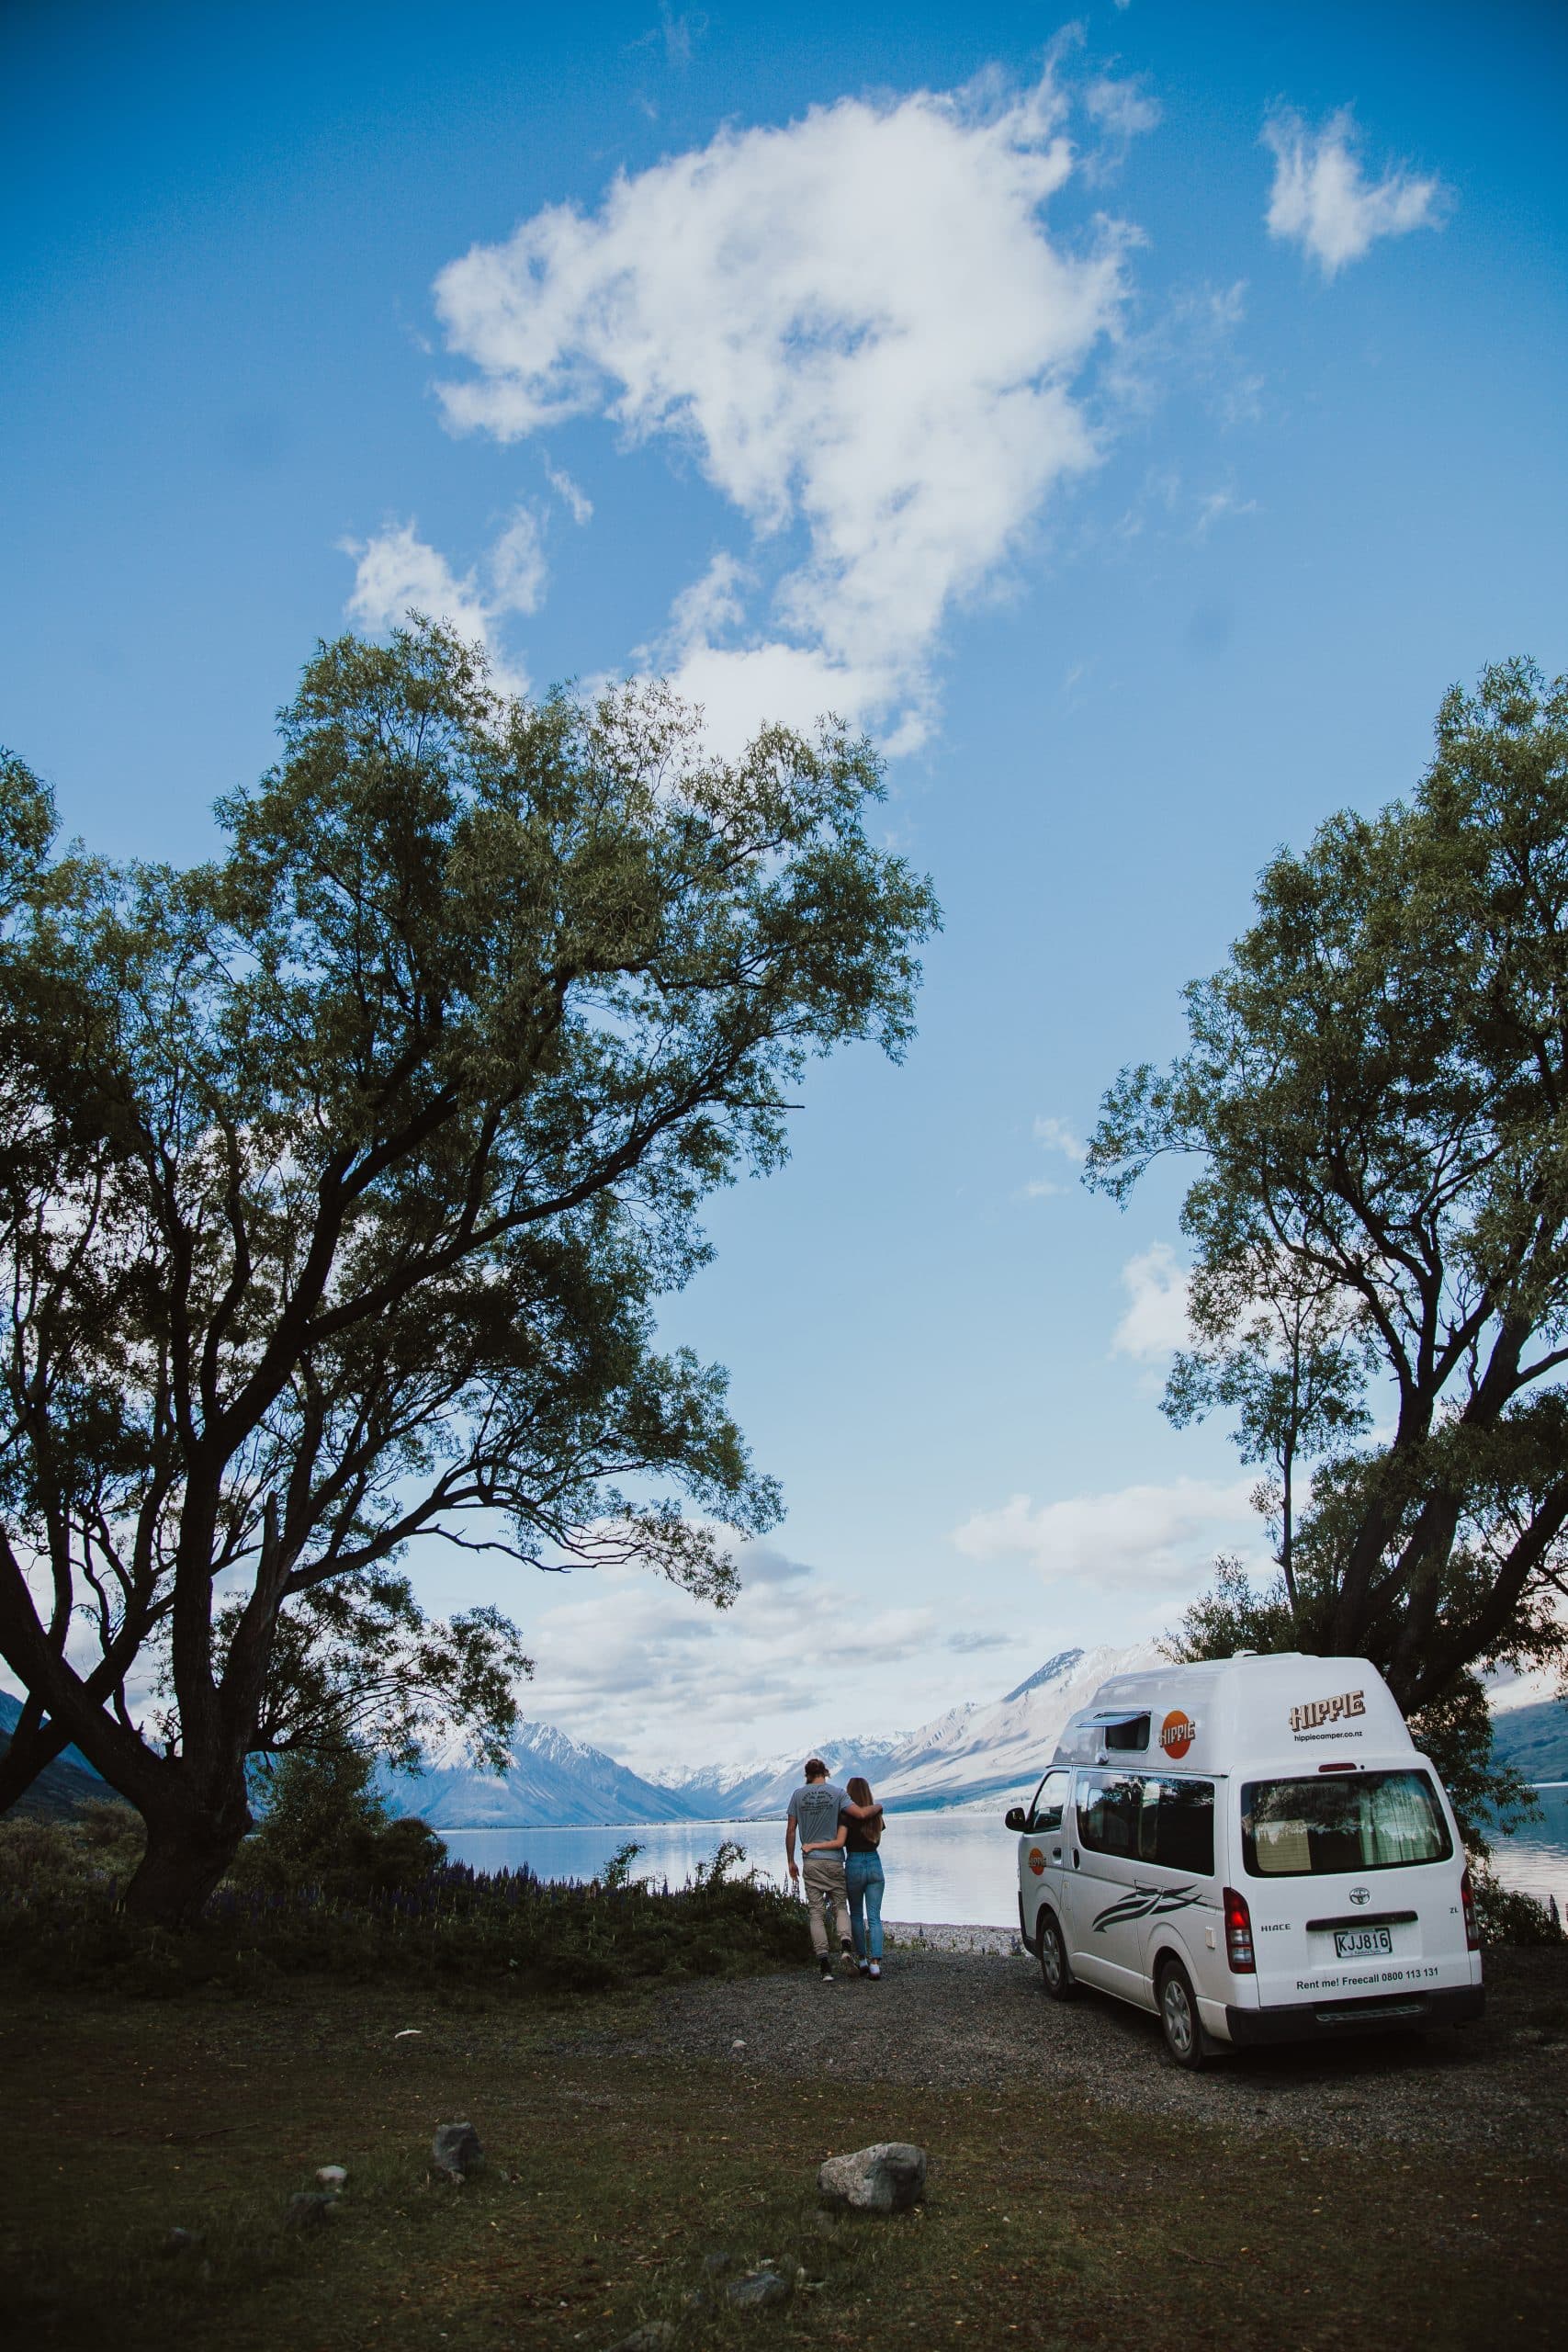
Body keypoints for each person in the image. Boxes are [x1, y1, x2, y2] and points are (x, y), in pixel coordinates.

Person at [784, 1757, 876, 1982]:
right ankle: (845, 1946)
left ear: (807, 1775)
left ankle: (825, 1966)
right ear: (825, 1772)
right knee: (840, 1907)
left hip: (811, 1861)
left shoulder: (797, 1795)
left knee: (816, 1913)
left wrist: (790, 1861)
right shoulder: (837, 1794)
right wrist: (879, 1807)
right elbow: (861, 1814)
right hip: (834, 1860)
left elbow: (791, 1830)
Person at [841, 1774, 886, 1980]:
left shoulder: (845, 1815)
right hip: (874, 1862)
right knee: (875, 1916)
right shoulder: (876, 1814)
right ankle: (876, 1964)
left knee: (857, 1914)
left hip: (854, 1863)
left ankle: (862, 1960)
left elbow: (840, 1840)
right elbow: (878, 1837)